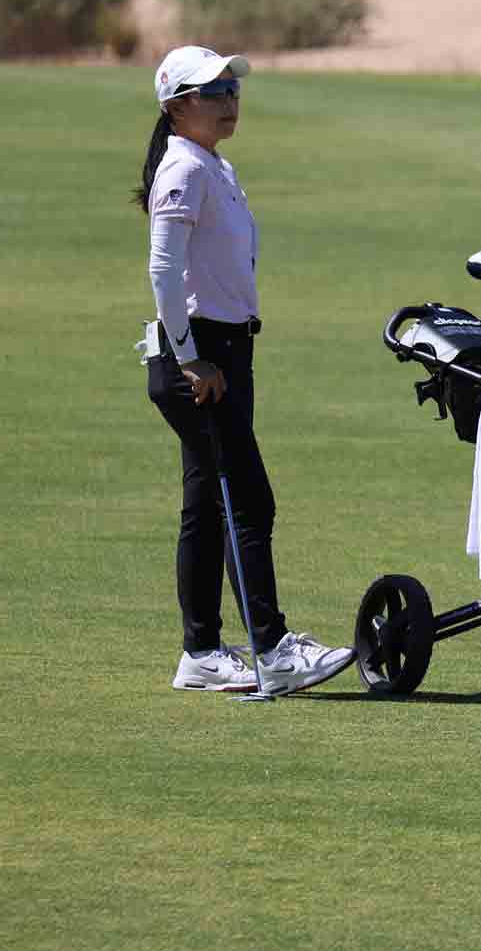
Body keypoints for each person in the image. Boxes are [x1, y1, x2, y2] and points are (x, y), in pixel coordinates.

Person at [136, 45, 355, 694]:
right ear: (177, 105)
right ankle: (274, 650)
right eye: (214, 90)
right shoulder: (183, 169)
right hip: (200, 357)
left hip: (224, 351)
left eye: (233, 87)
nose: (230, 99)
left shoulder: (211, 163)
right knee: (247, 499)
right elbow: (162, 271)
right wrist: (189, 358)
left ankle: (201, 652)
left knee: (208, 502)